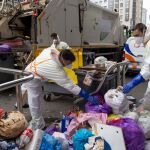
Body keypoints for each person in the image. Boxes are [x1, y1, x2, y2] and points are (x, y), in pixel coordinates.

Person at [23, 45, 99, 130]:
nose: (70, 64)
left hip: (33, 69)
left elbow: (52, 46)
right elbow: (71, 87)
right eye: (69, 62)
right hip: (31, 77)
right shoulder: (56, 70)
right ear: (64, 60)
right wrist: (88, 96)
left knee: (23, 89)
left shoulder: (51, 52)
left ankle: (20, 103)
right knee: (34, 100)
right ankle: (38, 123)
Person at [122, 25, 150, 110]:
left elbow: (148, 67)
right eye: (134, 36)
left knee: (147, 102)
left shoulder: (149, 44)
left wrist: (133, 83)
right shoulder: (147, 43)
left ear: (144, 31)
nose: (136, 38)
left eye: (137, 35)